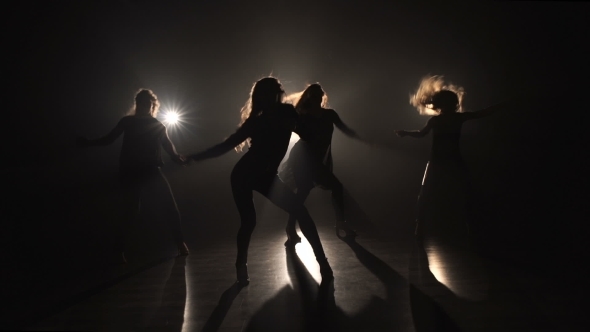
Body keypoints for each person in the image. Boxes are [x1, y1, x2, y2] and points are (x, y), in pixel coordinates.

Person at [188, 77, 333, 285]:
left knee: (300, 212)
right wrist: (197, 156)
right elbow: (227, 145)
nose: (279, 93)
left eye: (279, 90)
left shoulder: (287, 113)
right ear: (265, 96)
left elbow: (307, 135)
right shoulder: (257, 120)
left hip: (266, 176)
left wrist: (311, 117)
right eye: (275, 90)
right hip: (244, 175)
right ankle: (241, 265)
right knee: (249, 222)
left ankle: (323, 263)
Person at [76, 89, 189, 263]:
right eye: (141, 103)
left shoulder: (157, 125)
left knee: (169, 206)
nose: (144, 106)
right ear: (137, 104)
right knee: (130, 211)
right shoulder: (127, 122)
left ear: (152, 106)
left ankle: (180, 244)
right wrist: (89, 143)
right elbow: (109, 139)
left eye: (147, 104)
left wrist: (177, 157)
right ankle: (119, 251)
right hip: (131, 171)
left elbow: (168, 146)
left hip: (150, 170)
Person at [395, 76, 505, 238]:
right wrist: (406, 133)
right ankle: (424, 227)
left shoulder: (446, 119)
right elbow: (421, 134)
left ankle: (463, 227)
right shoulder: (443, 120)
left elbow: (482, 113)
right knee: (440, 192)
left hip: (446, 160)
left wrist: (406, 133)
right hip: (443, 160)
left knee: (451, 192)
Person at [279, 83, 363, 246]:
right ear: (311, 99)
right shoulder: (303, 117)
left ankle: (338, 223)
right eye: (314, 96)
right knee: (319, 189)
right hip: (302, 159)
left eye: (319, 96)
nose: (318, 99)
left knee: (307, 191)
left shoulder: (329, 114)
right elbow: (289, 129)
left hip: (314, 160)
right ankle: (293, 227)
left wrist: (364, 138)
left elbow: (345, 129)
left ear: (322, 97)